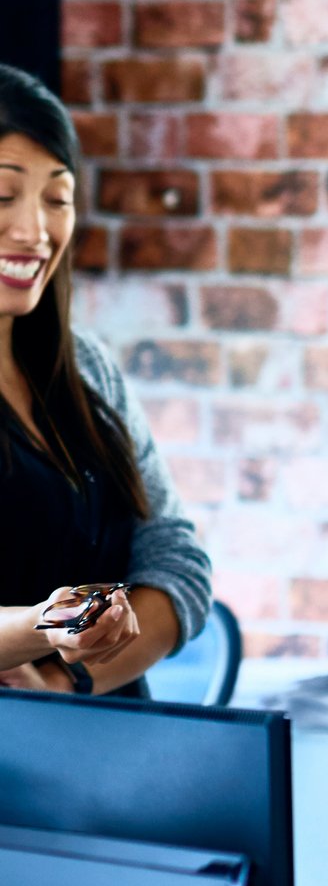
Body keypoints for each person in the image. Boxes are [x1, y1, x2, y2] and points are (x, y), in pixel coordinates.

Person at [0, 63, 212, 696]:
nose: (35, 231)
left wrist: (66, 684)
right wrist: (49, 624)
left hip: (104, 749)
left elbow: (178, 563)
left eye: (57, 199)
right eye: (4, 195)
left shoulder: (86, 368)